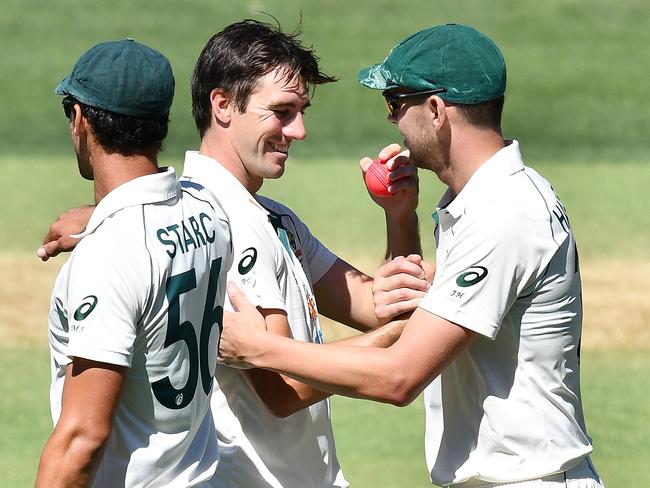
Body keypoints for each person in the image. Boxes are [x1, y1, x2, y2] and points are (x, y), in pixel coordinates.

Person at [36, 20, 429, 488]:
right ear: (222, 105)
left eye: (301, 111)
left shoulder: (266, 217)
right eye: (282, 112)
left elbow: (378, 310)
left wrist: (400, 219)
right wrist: (418, 338)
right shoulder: (229, 221)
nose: (299, 131)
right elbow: (283, 389)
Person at [219, 23, 605, 487]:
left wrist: (262, 348)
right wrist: (401, 218)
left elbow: (400, 376)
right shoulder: (485, 202)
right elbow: (398, 317)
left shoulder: (504, 215)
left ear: (437, 109)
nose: (391, 121)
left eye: (395, 104)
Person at [36, 39, 232, 487]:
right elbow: (162, 212)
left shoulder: (108, 256)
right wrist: (101, 219)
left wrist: (107, 233)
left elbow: (82, 437)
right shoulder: (211, 211)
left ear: (81, 118)